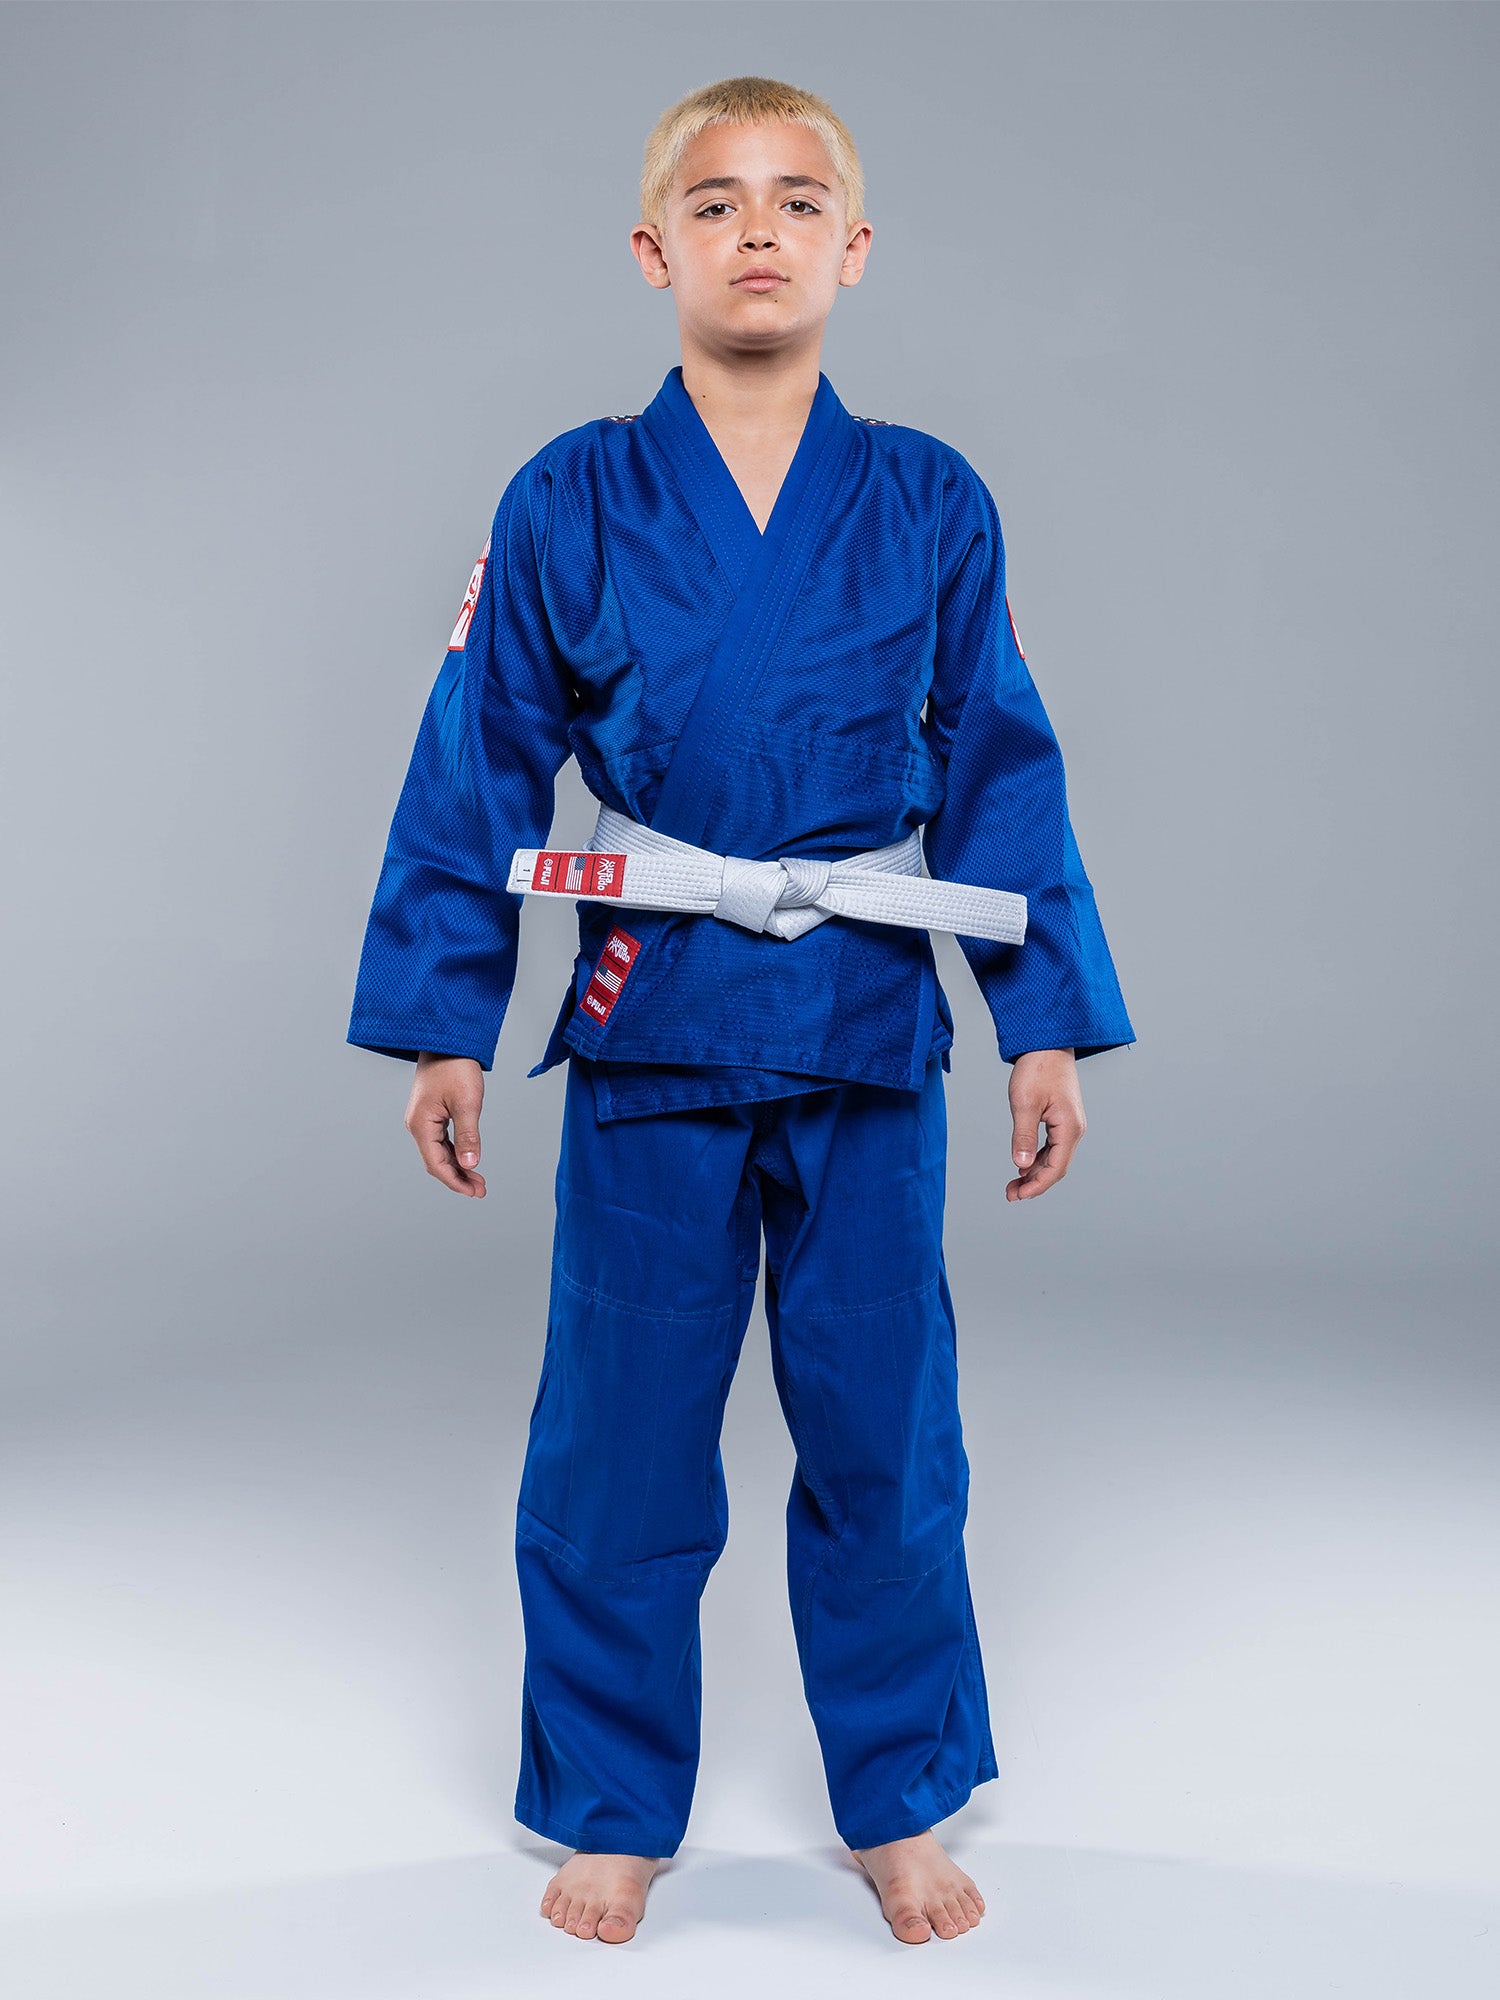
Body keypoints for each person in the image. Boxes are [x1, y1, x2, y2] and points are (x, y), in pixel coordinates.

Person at [347, 74, 1134, 1948]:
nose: (757, 229)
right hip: (656, 1010)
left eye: (797, 202)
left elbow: (1002, 773)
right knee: (620, 1427)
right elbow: (477, 766)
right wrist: (450, 1018)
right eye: (715, 202)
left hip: (864, 1015)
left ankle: (900, 1795)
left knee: (883, 1425)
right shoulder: (570, 496)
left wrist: (1039, 1025)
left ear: (854, 252)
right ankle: (614, 1800)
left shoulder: (932, 498)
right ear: (655, 252)